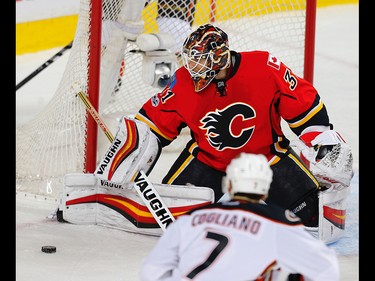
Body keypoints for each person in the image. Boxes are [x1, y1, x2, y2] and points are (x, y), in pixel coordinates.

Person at [133, 24, 354, 238]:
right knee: (169, 220)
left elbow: (303, 104)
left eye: (200, 61)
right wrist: (131, 153)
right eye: (192, 59)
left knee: (312, 219)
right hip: (208, 161)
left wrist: (323, 141)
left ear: (220, 57)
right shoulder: (181, 82)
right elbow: (150, 125)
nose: (193, 68)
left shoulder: (264, 67)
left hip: (268, 159)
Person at [140, 153, 340, 281]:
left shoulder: (190, 218)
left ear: (228, 185)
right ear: (265, 190)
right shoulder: (280, 223)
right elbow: (327, 269)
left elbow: (152, 271)